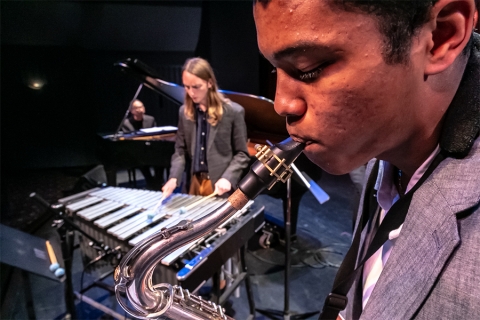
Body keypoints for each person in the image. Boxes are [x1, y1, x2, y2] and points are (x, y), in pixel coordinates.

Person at [254, 0, 479, 319]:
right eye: (274, 67)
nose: (282, 105)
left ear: (442, 35)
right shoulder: (384, 151)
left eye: (309, 67)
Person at [162, 57, 250, 198]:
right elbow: (180, 151)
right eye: (187, 87)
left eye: (196, 87)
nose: (191, 93)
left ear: (209, 83)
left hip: (219, 185)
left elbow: (242, 154)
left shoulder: (233, 112)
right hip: (194, 183)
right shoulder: (185, 112)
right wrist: (174, 177)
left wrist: (228, 177)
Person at [121, 99, 163, 189]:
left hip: (150, 149)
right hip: (136, 151)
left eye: (141, 107)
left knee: (162, 159)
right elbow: (128, 141)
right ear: (131, 110)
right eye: (137, 108)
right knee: (141, 161)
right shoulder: (126, 123)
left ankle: (158, 182)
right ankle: (150, 181)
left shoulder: (150, 119)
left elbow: (155, 135)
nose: (140, 109)